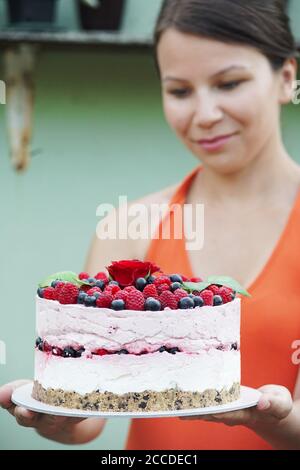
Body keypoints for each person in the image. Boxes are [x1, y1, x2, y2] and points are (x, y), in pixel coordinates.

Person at [1, 0, 300, 450]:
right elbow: (91, 414)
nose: (204, 114)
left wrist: (271, 421)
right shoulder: (128, 226)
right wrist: (57, 419)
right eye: (180, 91)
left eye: (229, 83)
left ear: (287, 79)